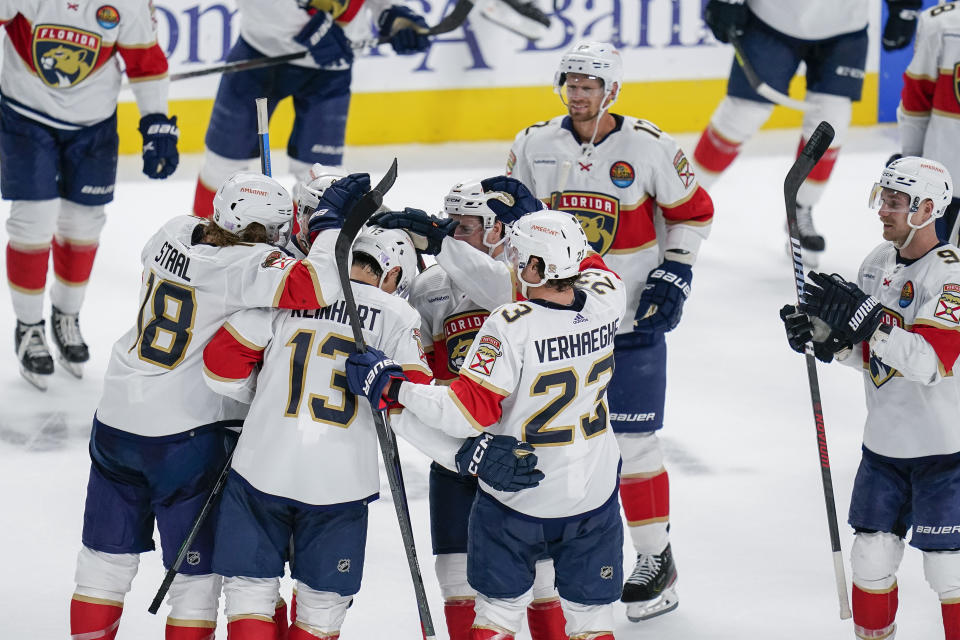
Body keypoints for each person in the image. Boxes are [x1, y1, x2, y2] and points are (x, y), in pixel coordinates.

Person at [201, 223, 543, 640]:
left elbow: (219, 367)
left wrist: (265, 395)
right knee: (320, 611)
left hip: (259, 469)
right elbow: (407, 407)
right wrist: (466, 453)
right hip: (339, 486)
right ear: (394, 275)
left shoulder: (298, 292)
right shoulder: (399, 317)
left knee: (249, 597)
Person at [69, 171, 371, 640]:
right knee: (196, 580)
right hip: (185, 436)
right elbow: (317, 285)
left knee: (103, 560)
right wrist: (328, 223)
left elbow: (214, 261)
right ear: (275, 230)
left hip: (115, 422)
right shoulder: (248, 267)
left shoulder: (173, 230)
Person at [500, 40, 714, 622]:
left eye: (590, 85)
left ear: (612, 90)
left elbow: (694, 212)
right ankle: (550, 550)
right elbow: (508, 223)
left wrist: (677, 268)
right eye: (571, 82)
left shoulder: (647, 147)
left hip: (628, 321)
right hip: (550, 325)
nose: (578, 93)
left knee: (634, 442)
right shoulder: (534, 143)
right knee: (548, 436)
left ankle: (655, 557)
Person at [346, 210, 627, 640]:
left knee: (496, 614)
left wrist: (394, 387)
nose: (511, 265)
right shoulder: (610, 299)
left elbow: (463, 414)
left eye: (519, 257)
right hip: (592, 494)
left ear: (536, 267)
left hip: (518, 495)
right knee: (592, 621)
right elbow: (589, 263)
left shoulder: (510, 325)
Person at [779, 157, 960, 640]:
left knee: (950, 573)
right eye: (882, 198)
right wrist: (825, 339)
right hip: (883, 449)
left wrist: (871, 324)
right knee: (870, 561)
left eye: (894, 202)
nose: (883, 210)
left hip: (945, 455)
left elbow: (931, 362)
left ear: (926, 208)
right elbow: (869, 355)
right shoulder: (877, 263)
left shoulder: (950, 275)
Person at [378, 179, 565, 640]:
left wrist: (444, 244)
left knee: (544, 584)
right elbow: (416, 373)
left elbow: (501, 289)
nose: (455, 235)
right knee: (456, 579)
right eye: (451, 227)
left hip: (526, 456)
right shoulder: (429, 289)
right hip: (459, 452)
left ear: (497, 228)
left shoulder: (526, 278)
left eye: (463, 227)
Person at [0, 0, 180, 389]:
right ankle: (29, 326)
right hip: (24, 116)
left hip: (93, 125)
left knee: (84, 224)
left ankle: (67, 316)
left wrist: (157, 121)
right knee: (33, 220)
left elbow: (145, 61)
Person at [697, 0, 919, 262]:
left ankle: (800, 209)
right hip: (770, 18)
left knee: (831, 122)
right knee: (742, 115)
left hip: (845, 26)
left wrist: (905, 6)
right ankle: (681, 197)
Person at [192, 0, 431, 216]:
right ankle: (202, 251)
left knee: (319, 180)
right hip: (258, 54)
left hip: (331, 70)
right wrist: (307, 29)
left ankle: (303, 261)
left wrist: (389, 12)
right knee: (223, 165)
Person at [896, 0, 960, 245]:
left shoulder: (939, 22)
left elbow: (915, 103)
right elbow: (916, 101)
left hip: (943, 181)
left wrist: (910, 160)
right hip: (942, 186)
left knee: (933, 275)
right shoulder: (940, 23)